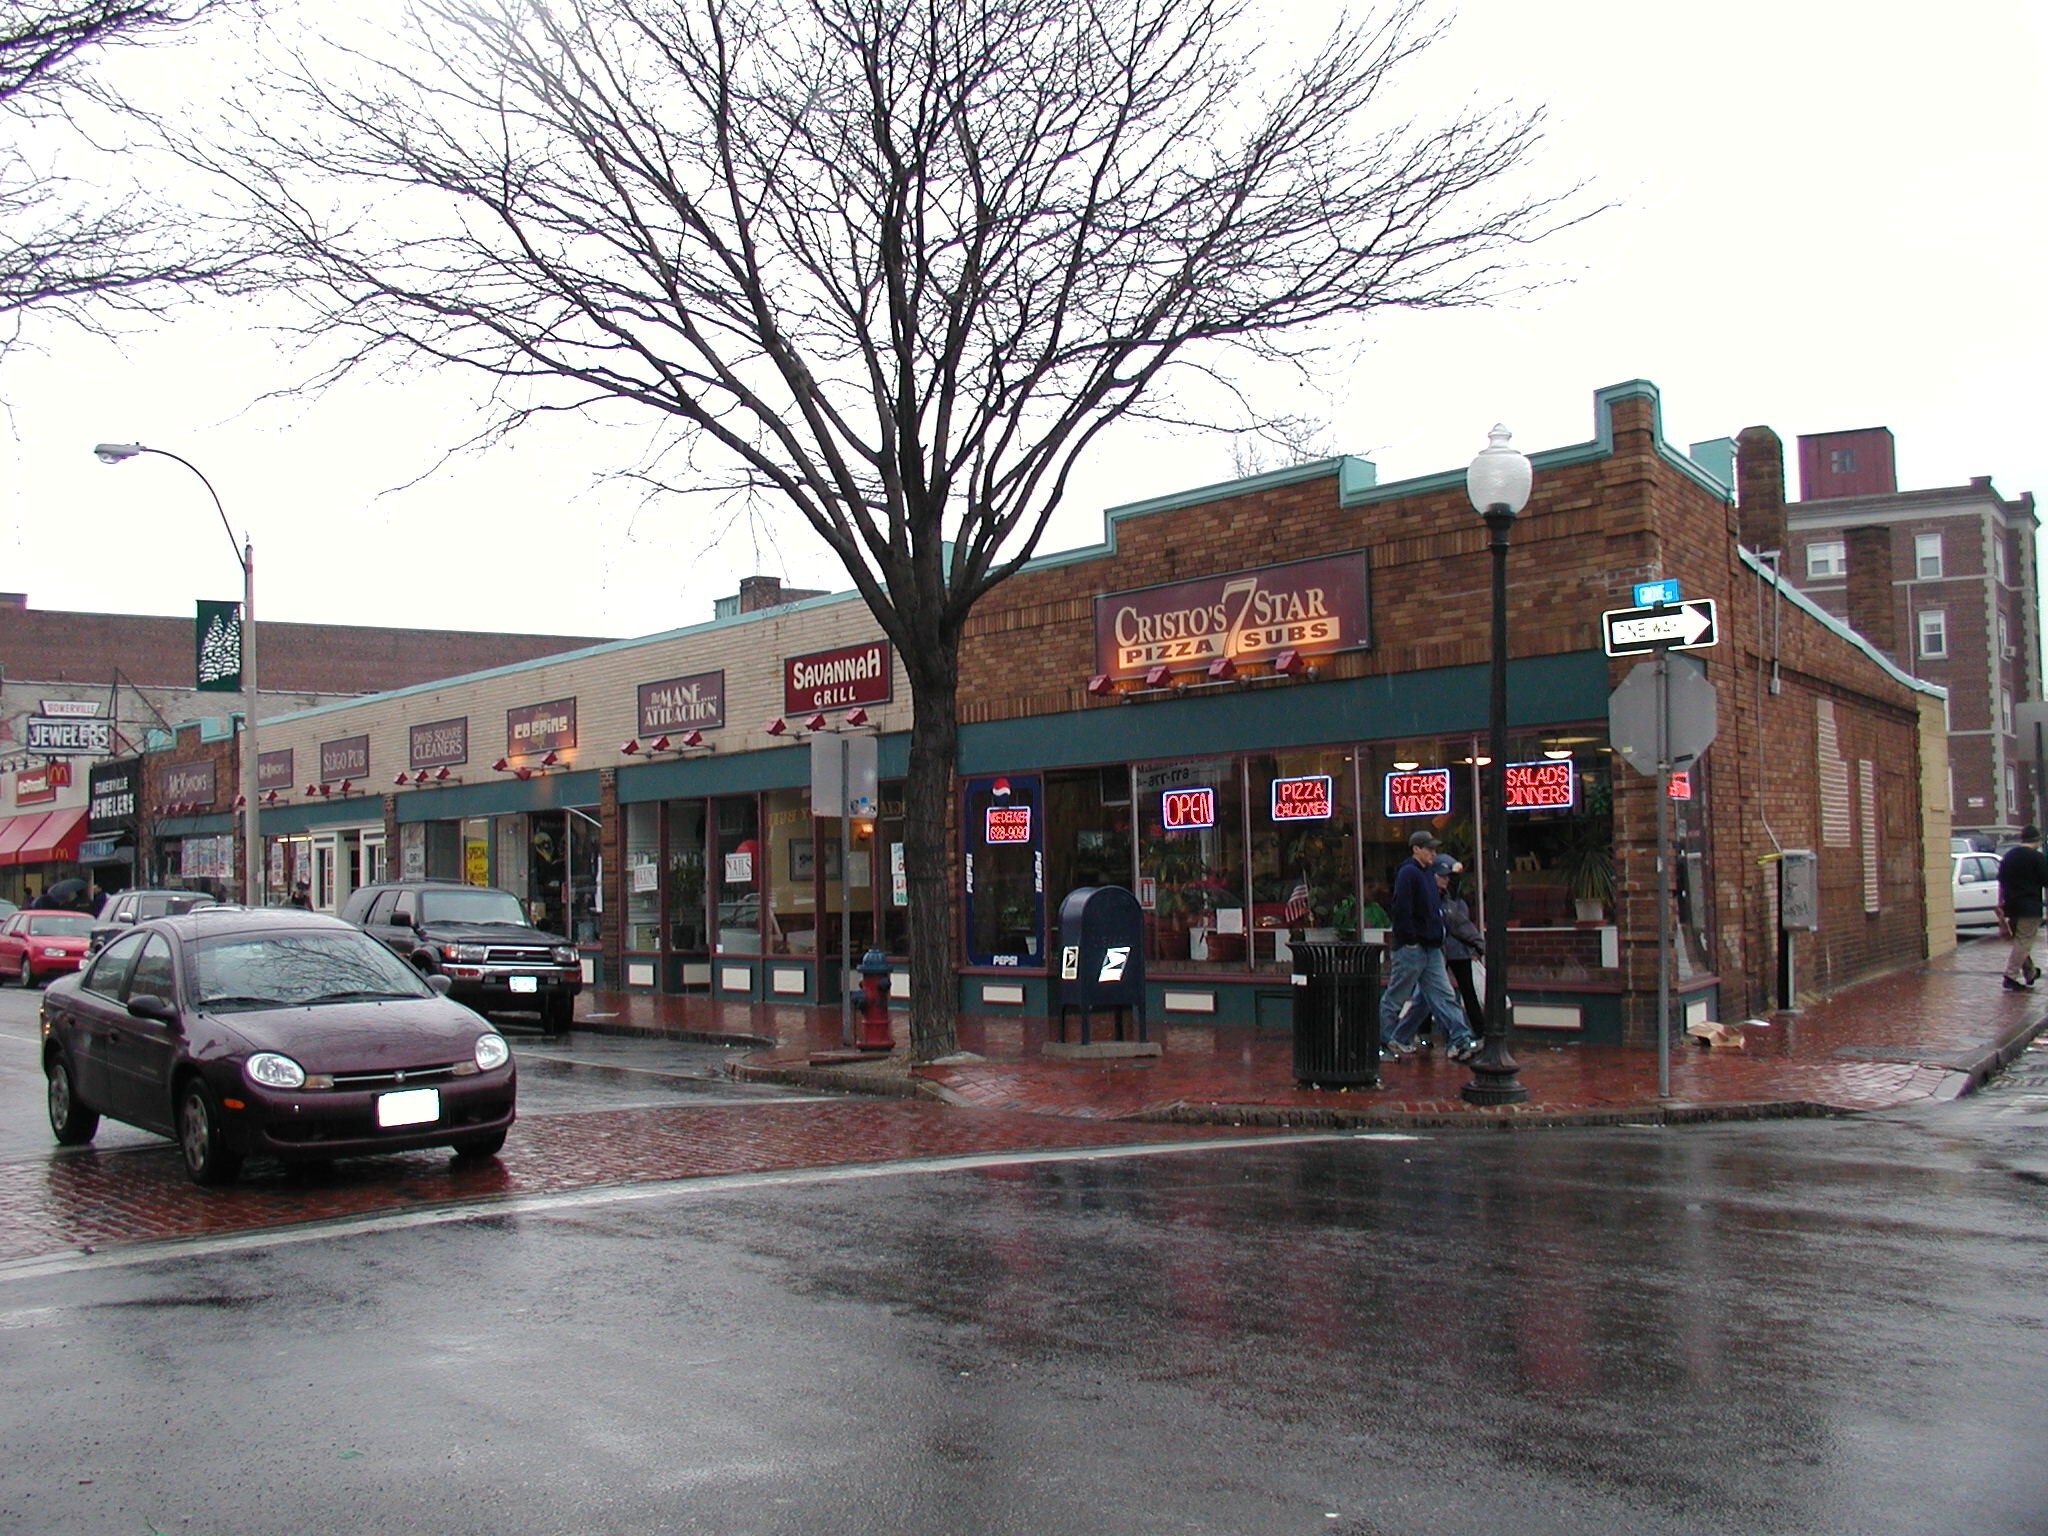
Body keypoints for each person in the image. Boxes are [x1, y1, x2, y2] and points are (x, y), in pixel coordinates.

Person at [1377, 829, 1479, 1063]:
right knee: (1396, 996)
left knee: (1444, 995)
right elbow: (1401, 909)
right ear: (1416, 849)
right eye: (1429, 848)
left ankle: (1460, 1040)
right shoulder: (1408, 873)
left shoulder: (1427, 873)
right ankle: (1383, 1042)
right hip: (1412, 948)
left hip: (1432, 947)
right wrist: (1411, 939)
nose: (1433, 853)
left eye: (1434, 848)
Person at [1996, 825, 2048, 991]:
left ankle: (2030, 972)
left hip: (2011, 905)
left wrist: (2000, 903)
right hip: (2030, 906)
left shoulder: (2009, 857)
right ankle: (2010, 975)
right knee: (2024, 941)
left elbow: (2001, 882)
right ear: (2037, 840)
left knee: (2019, 940)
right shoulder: (2037, 858)